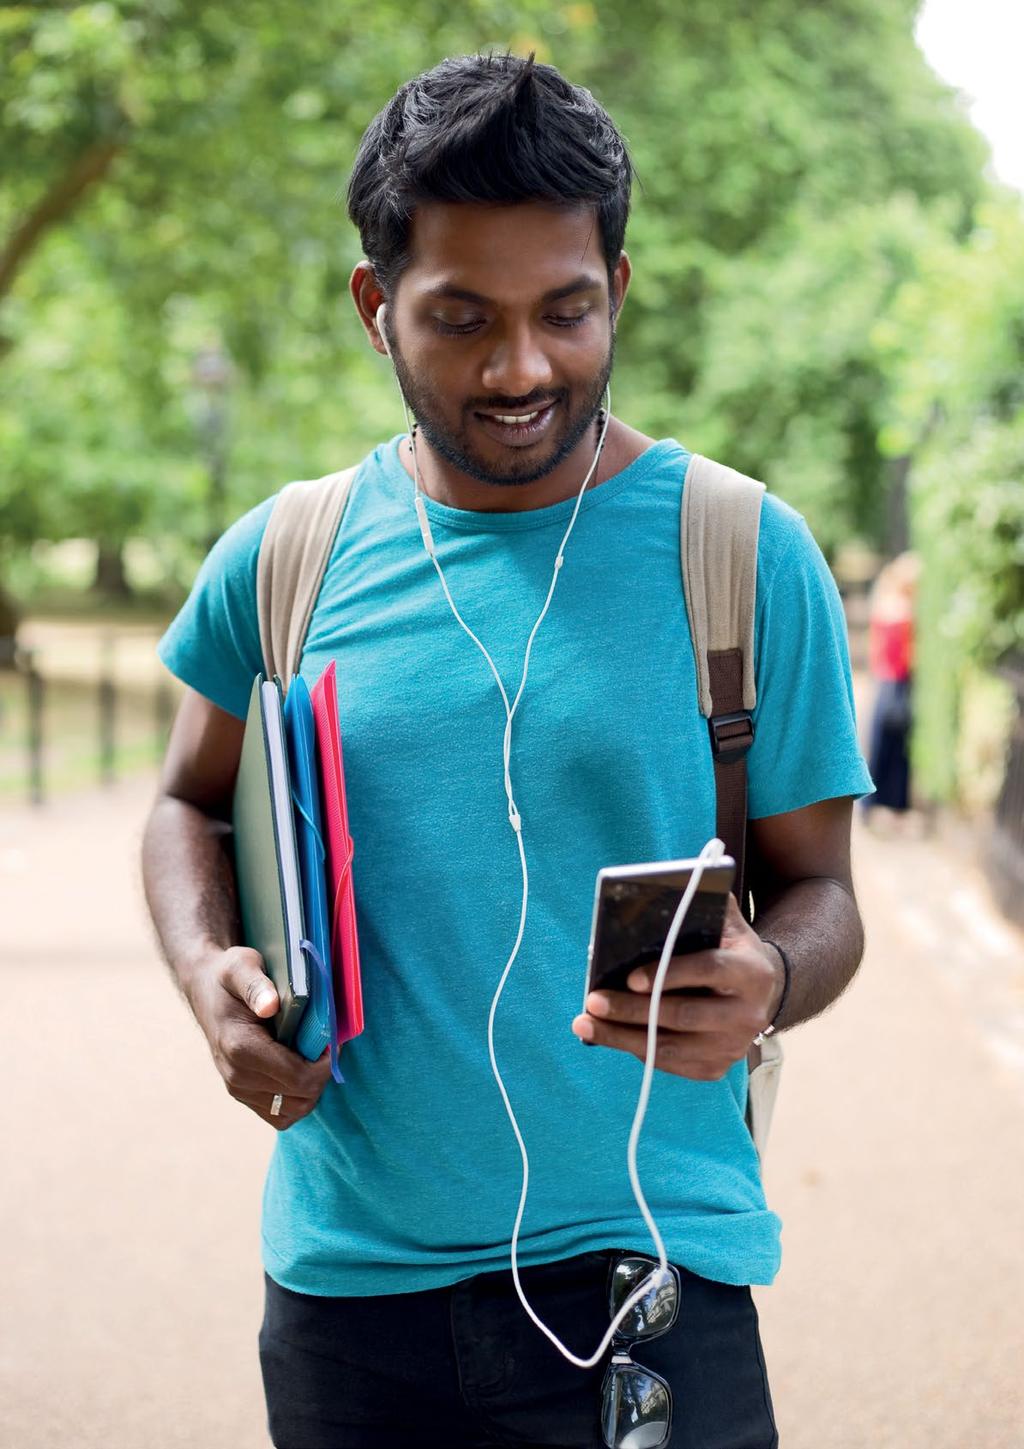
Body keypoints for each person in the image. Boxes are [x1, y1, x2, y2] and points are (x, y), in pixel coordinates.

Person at [142, 52, 875, 1449]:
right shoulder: (286, 559)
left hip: (653, 1280)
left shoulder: (740, 555)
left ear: (620, 288)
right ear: (376, 309)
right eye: (462, 318)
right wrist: (205, 973)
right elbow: (183, 799)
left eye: (567, 311)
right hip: (350, 1303)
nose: (521, 366)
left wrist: (772, 976)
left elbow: (824, 889)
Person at [860, 551, 920, 836]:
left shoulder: (883, 604)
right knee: (896, 748)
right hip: (897, 682)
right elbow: (907, 655)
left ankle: (871, 805)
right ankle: (892, 806)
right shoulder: (904, 611)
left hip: (884, 681)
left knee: (880, 744)